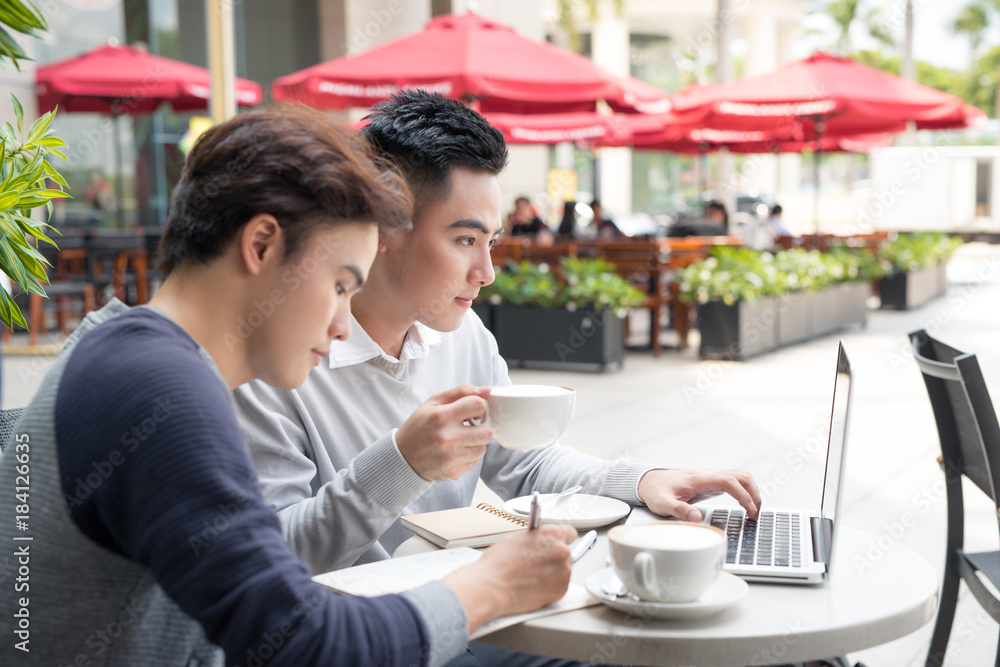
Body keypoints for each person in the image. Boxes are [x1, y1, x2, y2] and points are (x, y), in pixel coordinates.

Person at [0, 105, 578, 667]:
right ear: (261, 246)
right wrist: (492, 586)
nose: (344, 323)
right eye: (341, 285)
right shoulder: (158, 390)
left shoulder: (125, 352)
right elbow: (301, 641)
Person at [233, 92, 760, 663]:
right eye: (464, 240)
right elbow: (275, 561)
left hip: (471, 612)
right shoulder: (279, 360)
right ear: (382, 225)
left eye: (491, 241)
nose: (485, 273)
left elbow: (522, 460)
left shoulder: (463, 335)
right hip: (369, 639)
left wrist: (644, 482)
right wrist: (401, 465)